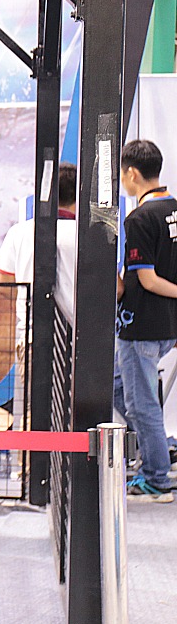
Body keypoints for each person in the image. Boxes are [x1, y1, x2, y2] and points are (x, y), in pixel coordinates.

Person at [114, 139, 176, 503]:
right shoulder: (173, 209)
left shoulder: (139, 218)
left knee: (141, 404)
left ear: (132, 173)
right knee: (119, 385)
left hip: (141, 325)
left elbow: (148, 280)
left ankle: (155, 476)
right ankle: (159, 447)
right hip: (165, 325)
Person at [0, 162, 78, 433]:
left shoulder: (19, 232)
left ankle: (30, 459)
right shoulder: (86, 235)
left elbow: (4, 287)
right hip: (78, 339)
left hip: (31, 336)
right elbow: (114, 288)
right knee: (74, 413)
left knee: (35, 412)